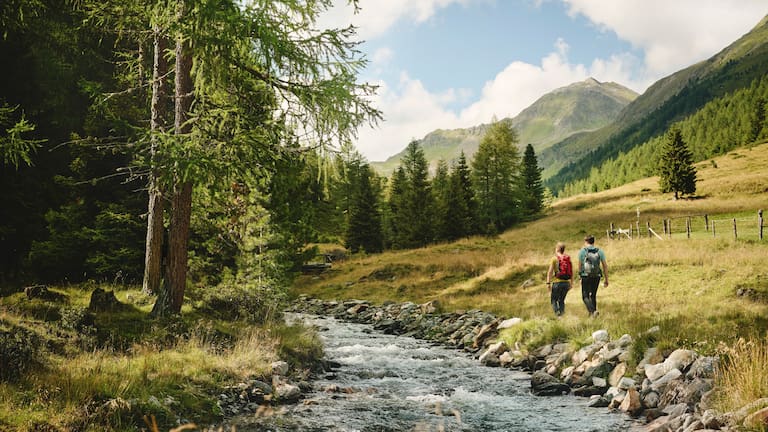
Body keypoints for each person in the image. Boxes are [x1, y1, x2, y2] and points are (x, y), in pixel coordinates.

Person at [578, 234, 609, 317]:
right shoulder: (599, 251)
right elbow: (605, 266)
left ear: (586, 242)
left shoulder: (582, 251)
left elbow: (580, 266)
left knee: (585, 296)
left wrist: (580, 276)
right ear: (593, 242)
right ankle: (592, 315)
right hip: (597, 275)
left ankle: (593, 311)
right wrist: (606, 279)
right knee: (593, 295)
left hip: (586, 275)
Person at [546, 242, 572, 316]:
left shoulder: (554, 259)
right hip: (566, 283)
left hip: (557, 283)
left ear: (557, 249)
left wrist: (548, 283)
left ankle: (558, 315)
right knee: (561, 300)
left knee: (553, 300)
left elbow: (550, 271)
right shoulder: (567, 258)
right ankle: (562, 315)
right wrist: (571, 283)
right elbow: (571, 272)